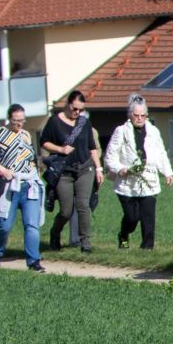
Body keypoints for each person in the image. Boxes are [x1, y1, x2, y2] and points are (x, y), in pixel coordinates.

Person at [103, 95, 173, 249]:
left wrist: (167, 172)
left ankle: (147, 248)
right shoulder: (121, 131)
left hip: (148, 180)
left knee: (148, 217)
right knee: (132, 218)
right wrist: (119, 169)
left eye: (143, 115)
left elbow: (161, 153)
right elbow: (110, 156)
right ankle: (124, 238)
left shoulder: (153, 131)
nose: (140, 118)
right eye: (136, 115)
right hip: (127, 183)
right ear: (130, 115)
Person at [39, 90, 102, 254]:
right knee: (66, 211)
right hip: (64, 172)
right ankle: (55, 233)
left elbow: (92, 147)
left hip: (84, 168)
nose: (77, 112)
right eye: (75, 108)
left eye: (81, 109)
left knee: (83, 205)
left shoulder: (84, 122)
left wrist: (98, 168)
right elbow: (44, 142)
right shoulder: (54, 122)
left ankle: (85, 243)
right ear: (67, 104)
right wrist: (60, 149)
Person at [0, 103, 44, 272]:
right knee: (4, 226)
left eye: (22, 120)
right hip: (8, 186)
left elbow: (32, 158)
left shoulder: (26, 135)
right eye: (15, 120)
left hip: (28, 184)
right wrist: (3, 170)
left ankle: (34, 261)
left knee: (32, 225)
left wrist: (35, 173)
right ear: (9, 119)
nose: (19, 124)